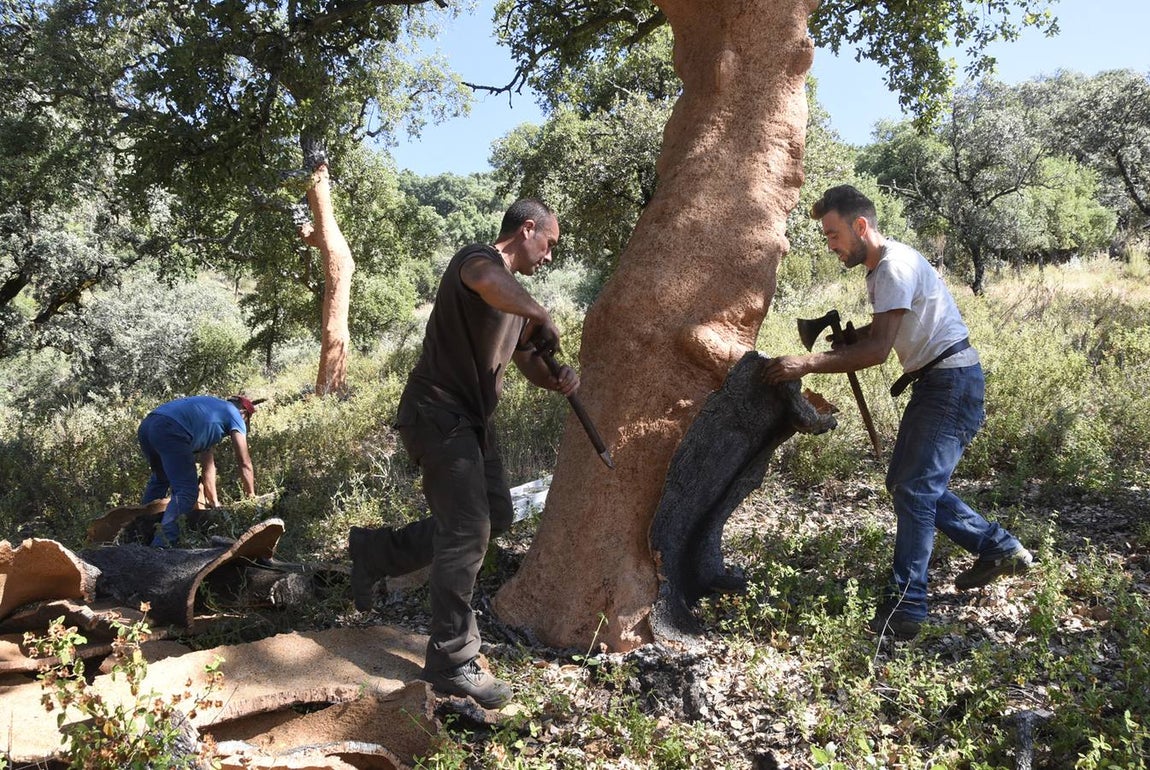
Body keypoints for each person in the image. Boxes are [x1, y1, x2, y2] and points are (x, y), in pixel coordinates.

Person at [764, 184, 1032, 639]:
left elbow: (878, 352)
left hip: (950, 382)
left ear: (861, 225)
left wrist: (805, 362)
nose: (831, 245)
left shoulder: (892, 266)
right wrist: (858, 335)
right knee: (909, 485)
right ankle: (998, 548)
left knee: (914, 489)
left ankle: (908, 606)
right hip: (941, 382)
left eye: (833, 234)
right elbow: (891, 326)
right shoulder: (882, 270)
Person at [348, 198, 579, 708]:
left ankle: (374, 553)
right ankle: (452, 659)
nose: (549, 255)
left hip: (472, 424)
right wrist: (539, 310)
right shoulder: (478, 262)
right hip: (436, 413)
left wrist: (558, 379)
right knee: (468, 531)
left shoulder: (517, 303)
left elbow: (531, 369)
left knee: (493, 515)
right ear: (527, 229)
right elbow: (486, 281)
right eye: (549, 242)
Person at [137, 395, 258, 547]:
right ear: (244, 413)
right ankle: (161, 546)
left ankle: (138, 535)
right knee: (186, 491)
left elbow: (208, 465)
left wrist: (213, 502)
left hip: (148, 425)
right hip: (170, 428)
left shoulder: (212, 414)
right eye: (247, 419)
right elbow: (244, 461)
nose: (245, 424)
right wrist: (251, 497)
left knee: (160, 480)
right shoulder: (235, 414)